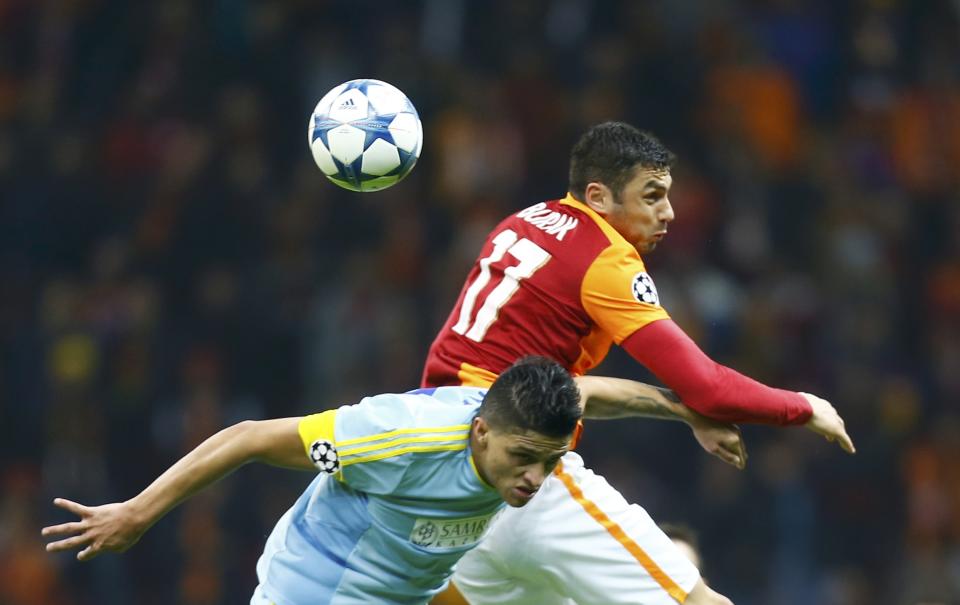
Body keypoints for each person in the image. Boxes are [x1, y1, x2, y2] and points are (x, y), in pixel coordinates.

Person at [422, 122, 856, 605]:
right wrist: (801, 405)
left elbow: (568, 393)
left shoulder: (522, 223)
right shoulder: (603, 259)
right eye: (652, 196)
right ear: (599, 197)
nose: (668, 213)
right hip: (524, 466)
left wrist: (682, 412)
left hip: (451, 468)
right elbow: (709, 385)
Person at [40, 357, 715, 605]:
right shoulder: (398, 436)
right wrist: (136, 511)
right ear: (481, 430)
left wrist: (683, 408)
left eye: (551, 458)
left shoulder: (529, 426)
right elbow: (246, 437)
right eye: (522, 458)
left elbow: (584, 391)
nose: (535, 477)